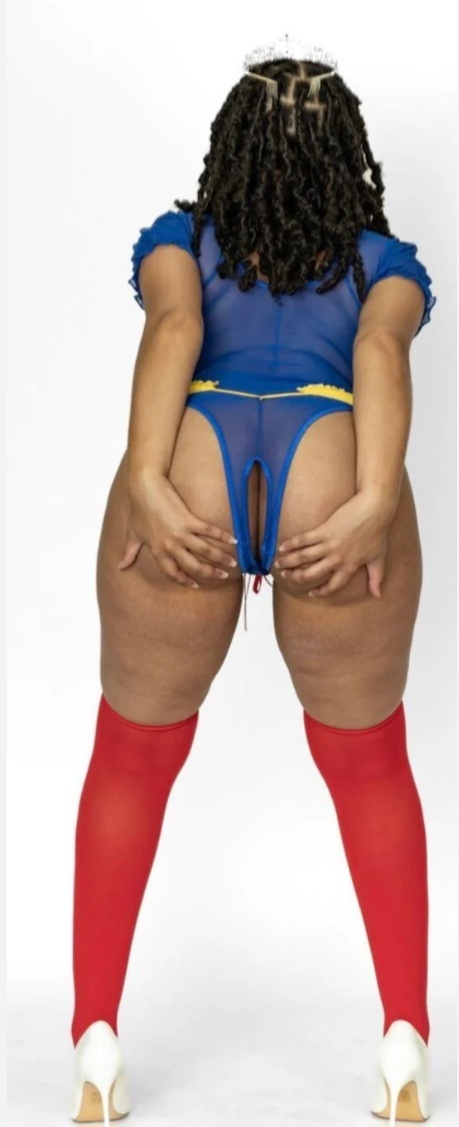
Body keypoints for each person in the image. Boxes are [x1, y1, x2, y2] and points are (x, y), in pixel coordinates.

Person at [70, 38, 436, 1127]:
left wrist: (147, 477)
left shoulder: (179, 242)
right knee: (369, 764)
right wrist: (373, 500)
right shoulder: (384, 263)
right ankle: (404, 1044)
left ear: (230, 147)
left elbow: (175, 326)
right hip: (336, 464)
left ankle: (95, 1044)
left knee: (132, 755)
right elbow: (379, 356)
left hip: (190, 461)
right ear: (346, 154)